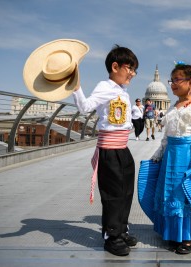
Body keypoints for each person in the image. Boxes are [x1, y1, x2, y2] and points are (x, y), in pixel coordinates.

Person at [137, 63, 191, 255]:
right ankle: (174, 233)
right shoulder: (172, 108)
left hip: (187, 155)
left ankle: (188, 236)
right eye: (172, 80)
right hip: (170, 156)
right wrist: (159, 153)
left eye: (177, 80)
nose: (173, 84)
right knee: (170, 193)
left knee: (184, 194)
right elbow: (166, 136)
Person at [72, 45, 139, 256]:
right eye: (130, 68)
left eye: (134, 70)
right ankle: (112, 237)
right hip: (109, 150)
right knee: (113, 195)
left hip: (123, 149)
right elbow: (85, 107)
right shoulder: (105, 86)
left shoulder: (122, 91)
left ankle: (121, 229)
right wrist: (76, 87)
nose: (133, 73)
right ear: (115, 66)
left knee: (126, 192)